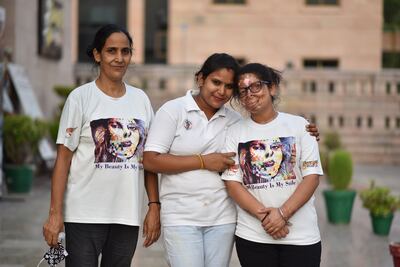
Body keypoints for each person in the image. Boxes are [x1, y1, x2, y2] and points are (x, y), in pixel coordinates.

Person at [142, 53, 319, 267]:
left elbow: (307, 173)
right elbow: (151, 160)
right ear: (200, 79)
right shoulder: (174, 111)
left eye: (228, 87)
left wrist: (306, 131)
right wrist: (202, 161)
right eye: (216, 82)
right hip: (182, 216)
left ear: (271, 88)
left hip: (223, 218)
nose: (221, 91)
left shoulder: (234, 121)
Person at [42, 24, 160, 267]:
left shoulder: (141, 100)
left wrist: (154, 206)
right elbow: (63, 159)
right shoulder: (80, 98)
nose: (119, 58)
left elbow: (149, 160)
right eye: (111, 51)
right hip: (83, 214)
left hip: (126, 215)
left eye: (125, 51)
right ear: (97, 55)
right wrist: (55, 214)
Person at [221, 63, 323, 267]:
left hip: (301, 237)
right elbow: (233, 184)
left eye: (256, 86)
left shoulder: (301, 127)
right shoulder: (234, 133)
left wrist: (283, 213)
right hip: (253, 237)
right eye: (243, 90)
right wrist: (269, 219)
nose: (249, 94)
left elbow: (312, 177)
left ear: (272, 88)